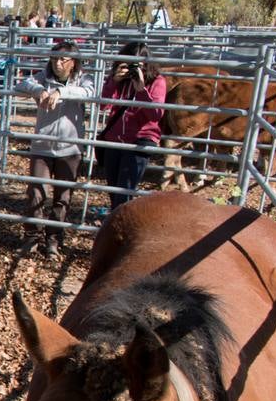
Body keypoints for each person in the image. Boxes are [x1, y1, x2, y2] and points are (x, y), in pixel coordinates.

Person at [12, 39, 94, 257]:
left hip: (70, 148)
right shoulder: (43, 77)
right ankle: (31, 237)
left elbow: (90, 92)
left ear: (73, 63)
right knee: (36, 192)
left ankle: (53, 240)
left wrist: (60, 92)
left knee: (63, 197)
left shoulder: (83, 79)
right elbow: (21, 84)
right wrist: (39, 90)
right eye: (54, 59)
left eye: (63, 60)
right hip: (42, 146)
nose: (57, 63)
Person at [98, 41, 167, 210]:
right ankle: (117, 221)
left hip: (140, 139)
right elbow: (103, 105)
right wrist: (114, 81)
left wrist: (142, 90)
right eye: (129, 64)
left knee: (125, 191)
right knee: (113, 189)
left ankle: (119, 226)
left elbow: (156, 115)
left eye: (136, 64)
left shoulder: (157, 81)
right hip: (115, 138)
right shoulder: (118, 79)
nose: (133, 69)